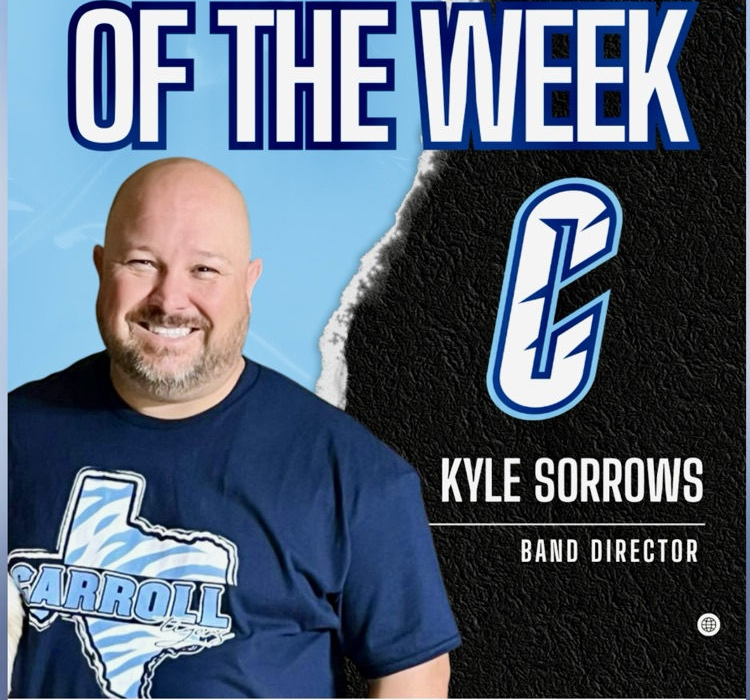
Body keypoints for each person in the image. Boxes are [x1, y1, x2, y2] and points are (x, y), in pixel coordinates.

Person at [8, 158, 460, 699]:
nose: (170, 300)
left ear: (249, 282)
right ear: (102, 267)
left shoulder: (352, 475)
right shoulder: (14, 436)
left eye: (204, 270)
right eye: (142, 262)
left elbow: (415, 677)